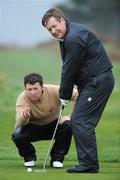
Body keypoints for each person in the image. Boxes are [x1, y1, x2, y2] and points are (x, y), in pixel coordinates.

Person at [42, 8, 115, 173]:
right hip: (94, 81)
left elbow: (69, 69)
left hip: (97, 82)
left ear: (62, 19)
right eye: (49, 30)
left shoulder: (73, 38)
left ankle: (89, 165)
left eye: (54, 26)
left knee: (80, 121)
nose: (53, 31)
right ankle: (88, 163)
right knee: (81, 121)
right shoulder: (71, 33)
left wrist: (64, 96)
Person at [12, 73, 78, 168]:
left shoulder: (54, 90)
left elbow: (78, 95)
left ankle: (57, 159)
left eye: (35, 88)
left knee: (68, 125)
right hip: (32, 128)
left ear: (42, 87)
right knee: (17, 135)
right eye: (29, 89)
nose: (32, 92)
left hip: (54, 126)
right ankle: (29, 157)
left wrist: (72, 116)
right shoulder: (22, 98)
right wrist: (25, 115)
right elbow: (19, 123)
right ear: (25, 89)